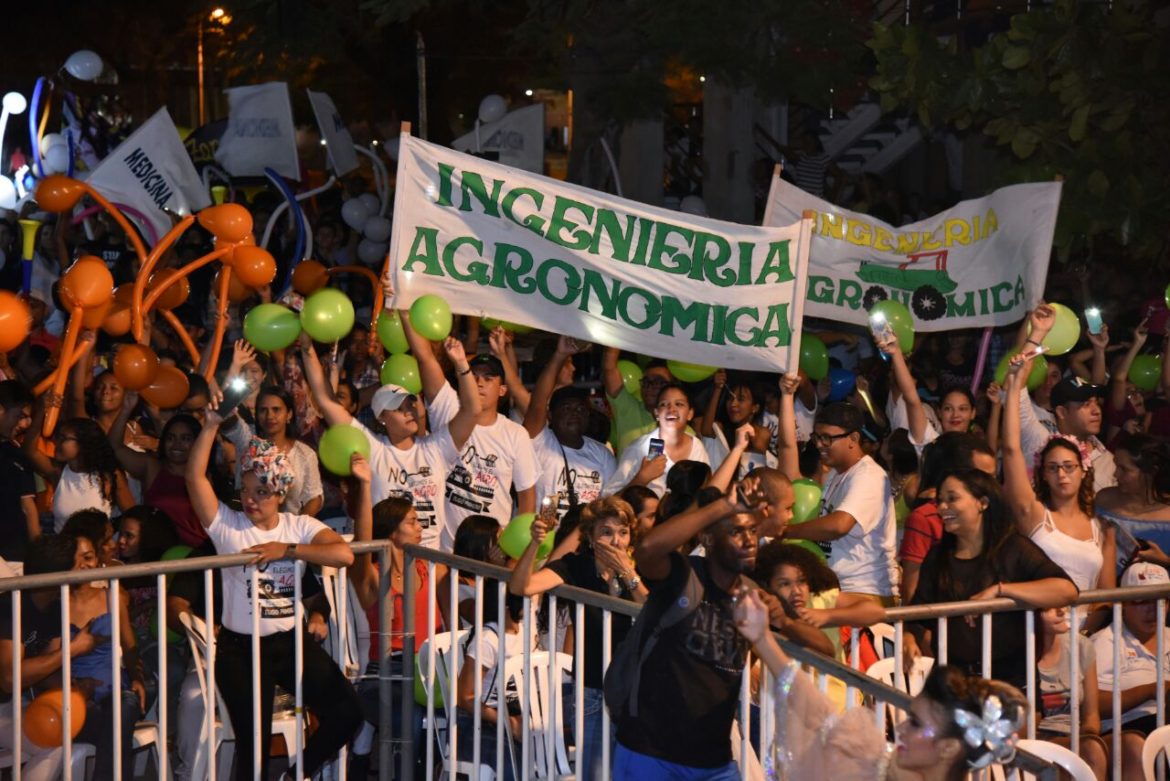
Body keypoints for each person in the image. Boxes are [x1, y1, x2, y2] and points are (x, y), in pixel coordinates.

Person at [185, 404, 362, 781]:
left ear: (280, 494)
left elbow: (343, 554)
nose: (251, 499)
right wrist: (211, 425)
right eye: (246, 490)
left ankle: (295, 776)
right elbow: (194, 477)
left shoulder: (298, 526)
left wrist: (288, 550)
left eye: (262, 491)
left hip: (290, 643)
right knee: (253, 753)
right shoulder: (229, 527)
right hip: (240, 649)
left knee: (348, 712)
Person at [733, 588, 1028, 781]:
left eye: (914, 722)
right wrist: (762, 639)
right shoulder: (878, 765)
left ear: (949, 748)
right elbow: (815, 710)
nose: (898, 728)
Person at [611, 474, 769, 778]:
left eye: (753, 530)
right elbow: (647, 550)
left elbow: (822, 647)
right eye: (736, 531)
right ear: (708, 539)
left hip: (714, 761)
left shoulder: (752, 595)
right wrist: (724, 505)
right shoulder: (684, 576)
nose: (749, 540)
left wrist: (785, 619)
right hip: (651, 752)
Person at [300, 331, 479, 549]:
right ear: (382, 418)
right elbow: (326, 401)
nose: (409, 412)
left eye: (410, 404)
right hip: (387, 559)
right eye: (398, 408)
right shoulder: (374, 449)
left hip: (432, 560)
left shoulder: (436, 448)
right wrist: (308, 349)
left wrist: (462, 365)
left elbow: (471, 410)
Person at [509, 496, 646, 781]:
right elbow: (522, 586)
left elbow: (655, 612)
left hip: (637, 694)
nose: (616, 540)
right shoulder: (576, 565)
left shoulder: (643, 566)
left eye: (623, 532)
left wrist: (628, 574)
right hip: (592, 691)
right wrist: (535, 543)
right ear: (591, 538)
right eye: (606, 532)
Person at [902, 469, 1078, 688]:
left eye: (952, 498)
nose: (941, 508)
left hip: (1009, 682)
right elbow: (917, 615)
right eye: (940, 501)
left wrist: (1001, 590)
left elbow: (1067, 590)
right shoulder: (937, 558)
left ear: (982, 503)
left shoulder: (1014, 549)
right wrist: (909, 639)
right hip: (953, 684)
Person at [400, 288, 538, 550]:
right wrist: (405, 312)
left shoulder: (515, 434)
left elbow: (527, 497)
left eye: (489, 378)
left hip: (493, 552)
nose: (479, 383)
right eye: (475, 377)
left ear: (502, 389)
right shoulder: (448, 407)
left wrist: (516, 548)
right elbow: (425, 358)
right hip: (445, 551)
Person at [345, 464, 444, 780]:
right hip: (386, 674)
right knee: (411, 715)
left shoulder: (430, 566)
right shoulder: (371, 574)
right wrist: (363, 487)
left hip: (429, 672)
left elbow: (472, 564)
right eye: (412, 522)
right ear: (391, 530)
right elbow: (362, 542)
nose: (420, 527)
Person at [1003, 354, 1116, 594]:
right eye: (1053, 468)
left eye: (1069, 466)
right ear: (1042, 474)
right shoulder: (1033, 514)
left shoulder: (1102, 527)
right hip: (1040, 627)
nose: (1062, 474)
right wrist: (1014, 384)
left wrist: (1086, 632)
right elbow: (1011, 449)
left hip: (1087, 629)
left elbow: (1106, 599)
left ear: (1084, 471)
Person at [780, 393, 898, 604]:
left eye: (827, 438)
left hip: (864, 593)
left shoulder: (869, 475)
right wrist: (787, 397)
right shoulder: (836, 474)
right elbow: (788, 460)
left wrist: (786, 531)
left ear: (853, 439)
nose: (819, 444)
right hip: (840, 589)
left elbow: (839, 525)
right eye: (816, 437)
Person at [0, 535, 98, 781]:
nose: (85, 568)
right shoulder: (11, 604)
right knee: (52, 741)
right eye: (78, 563)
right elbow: (10, 678)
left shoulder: (55, 608)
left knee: (57, 737)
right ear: (56, 572)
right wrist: (73, 650)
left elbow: (48, 673)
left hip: (12, 706)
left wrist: (77, 690)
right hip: (4, 705)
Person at [1016, 304, 1116, 491]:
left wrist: (1099, 350)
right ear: (1061, 412)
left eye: (1096, 403)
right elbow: (1016, 386)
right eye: (1086, 404)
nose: (1096, 410)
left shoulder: (1109, 459)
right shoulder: (1041, 442)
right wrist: (1037, 333)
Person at [523, 336, 616, 520]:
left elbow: (608, 506)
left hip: (582, 542)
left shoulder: (603, 454)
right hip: (541, 541)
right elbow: (538, 403)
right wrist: (560, 355)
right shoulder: (539, 442)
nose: (574, 413)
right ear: (550, 415)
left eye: (580, 408)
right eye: (566, 408)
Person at [1093, 561, 1170, 780]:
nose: (1151, 609)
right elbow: (1094, 705)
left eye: (1160, 600)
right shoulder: (1104, 642)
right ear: (1123, 603)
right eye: (1141, 600)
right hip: (1130, 727)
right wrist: (1151, 691)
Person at [898, 432, 997, 603]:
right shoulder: (925, 518)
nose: (991, 484)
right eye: (982, 476)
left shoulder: (996, 514)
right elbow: (912, 592)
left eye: (993, 476)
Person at [110, 403, 207, 546]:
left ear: (197, 442)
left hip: (196, 557)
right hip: (155, 556)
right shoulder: (152, 467)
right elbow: (114, 446)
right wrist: (126, 407)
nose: (177, 444)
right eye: (171, 438)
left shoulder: (206, 475)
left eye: (186, 438)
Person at [220, 384, 324, 516]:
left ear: (289, 414)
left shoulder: (305, 454)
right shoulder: (249, 441)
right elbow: (227, 420)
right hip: (246, 524)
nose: (269, 416)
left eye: (276, 410)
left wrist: (297, 528)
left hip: (288, 532)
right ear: (257, 415)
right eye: (263, 410)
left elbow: (314, 498)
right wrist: (226, 400)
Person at [1035, 606, 1108, 780]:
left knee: (1132, 745)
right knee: (1088, 750)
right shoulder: (1015, 655)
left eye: (1061, 604)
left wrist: (1086, 736)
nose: (1061, 611)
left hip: (1077, 734)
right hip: (1038, 737)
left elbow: (1091, 715)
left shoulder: (1080, 645)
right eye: (1049, 607)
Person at [25, 413, 132, 531]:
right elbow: (30, 451)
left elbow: (132, 515)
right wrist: (41, 411)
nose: (57, 442)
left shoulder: (109, 475)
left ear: (83, 443)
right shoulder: (57, 472)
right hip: (63, 548)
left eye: (64, 438)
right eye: (58, 437)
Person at [609, 382, 710, 497]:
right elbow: (609, 500)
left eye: (679, 404)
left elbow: (706, 491)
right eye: (664, 404)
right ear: (656, 413)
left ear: (690, 414)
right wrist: (642, 478)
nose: (671, 409)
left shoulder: (697, 446)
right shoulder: (639, 448)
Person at [1095, 434, 1170, 570]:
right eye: (1116, 466)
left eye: (1124, 469)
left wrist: (1165, 561)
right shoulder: (1104, 499)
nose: (1115, 474)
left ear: (1151, 472)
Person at [601, 348, 676, 453]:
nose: (650, 386)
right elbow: (609, 368)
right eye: (646, 381)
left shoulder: (679, 424)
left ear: (672, 387)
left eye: (658, 382)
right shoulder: (628, 409)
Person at [0, 379, 40, 561]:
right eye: (21, 416)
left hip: (15, 559)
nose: (25, 424)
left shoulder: (16, 454)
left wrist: (38, 556)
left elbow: (28, 508)